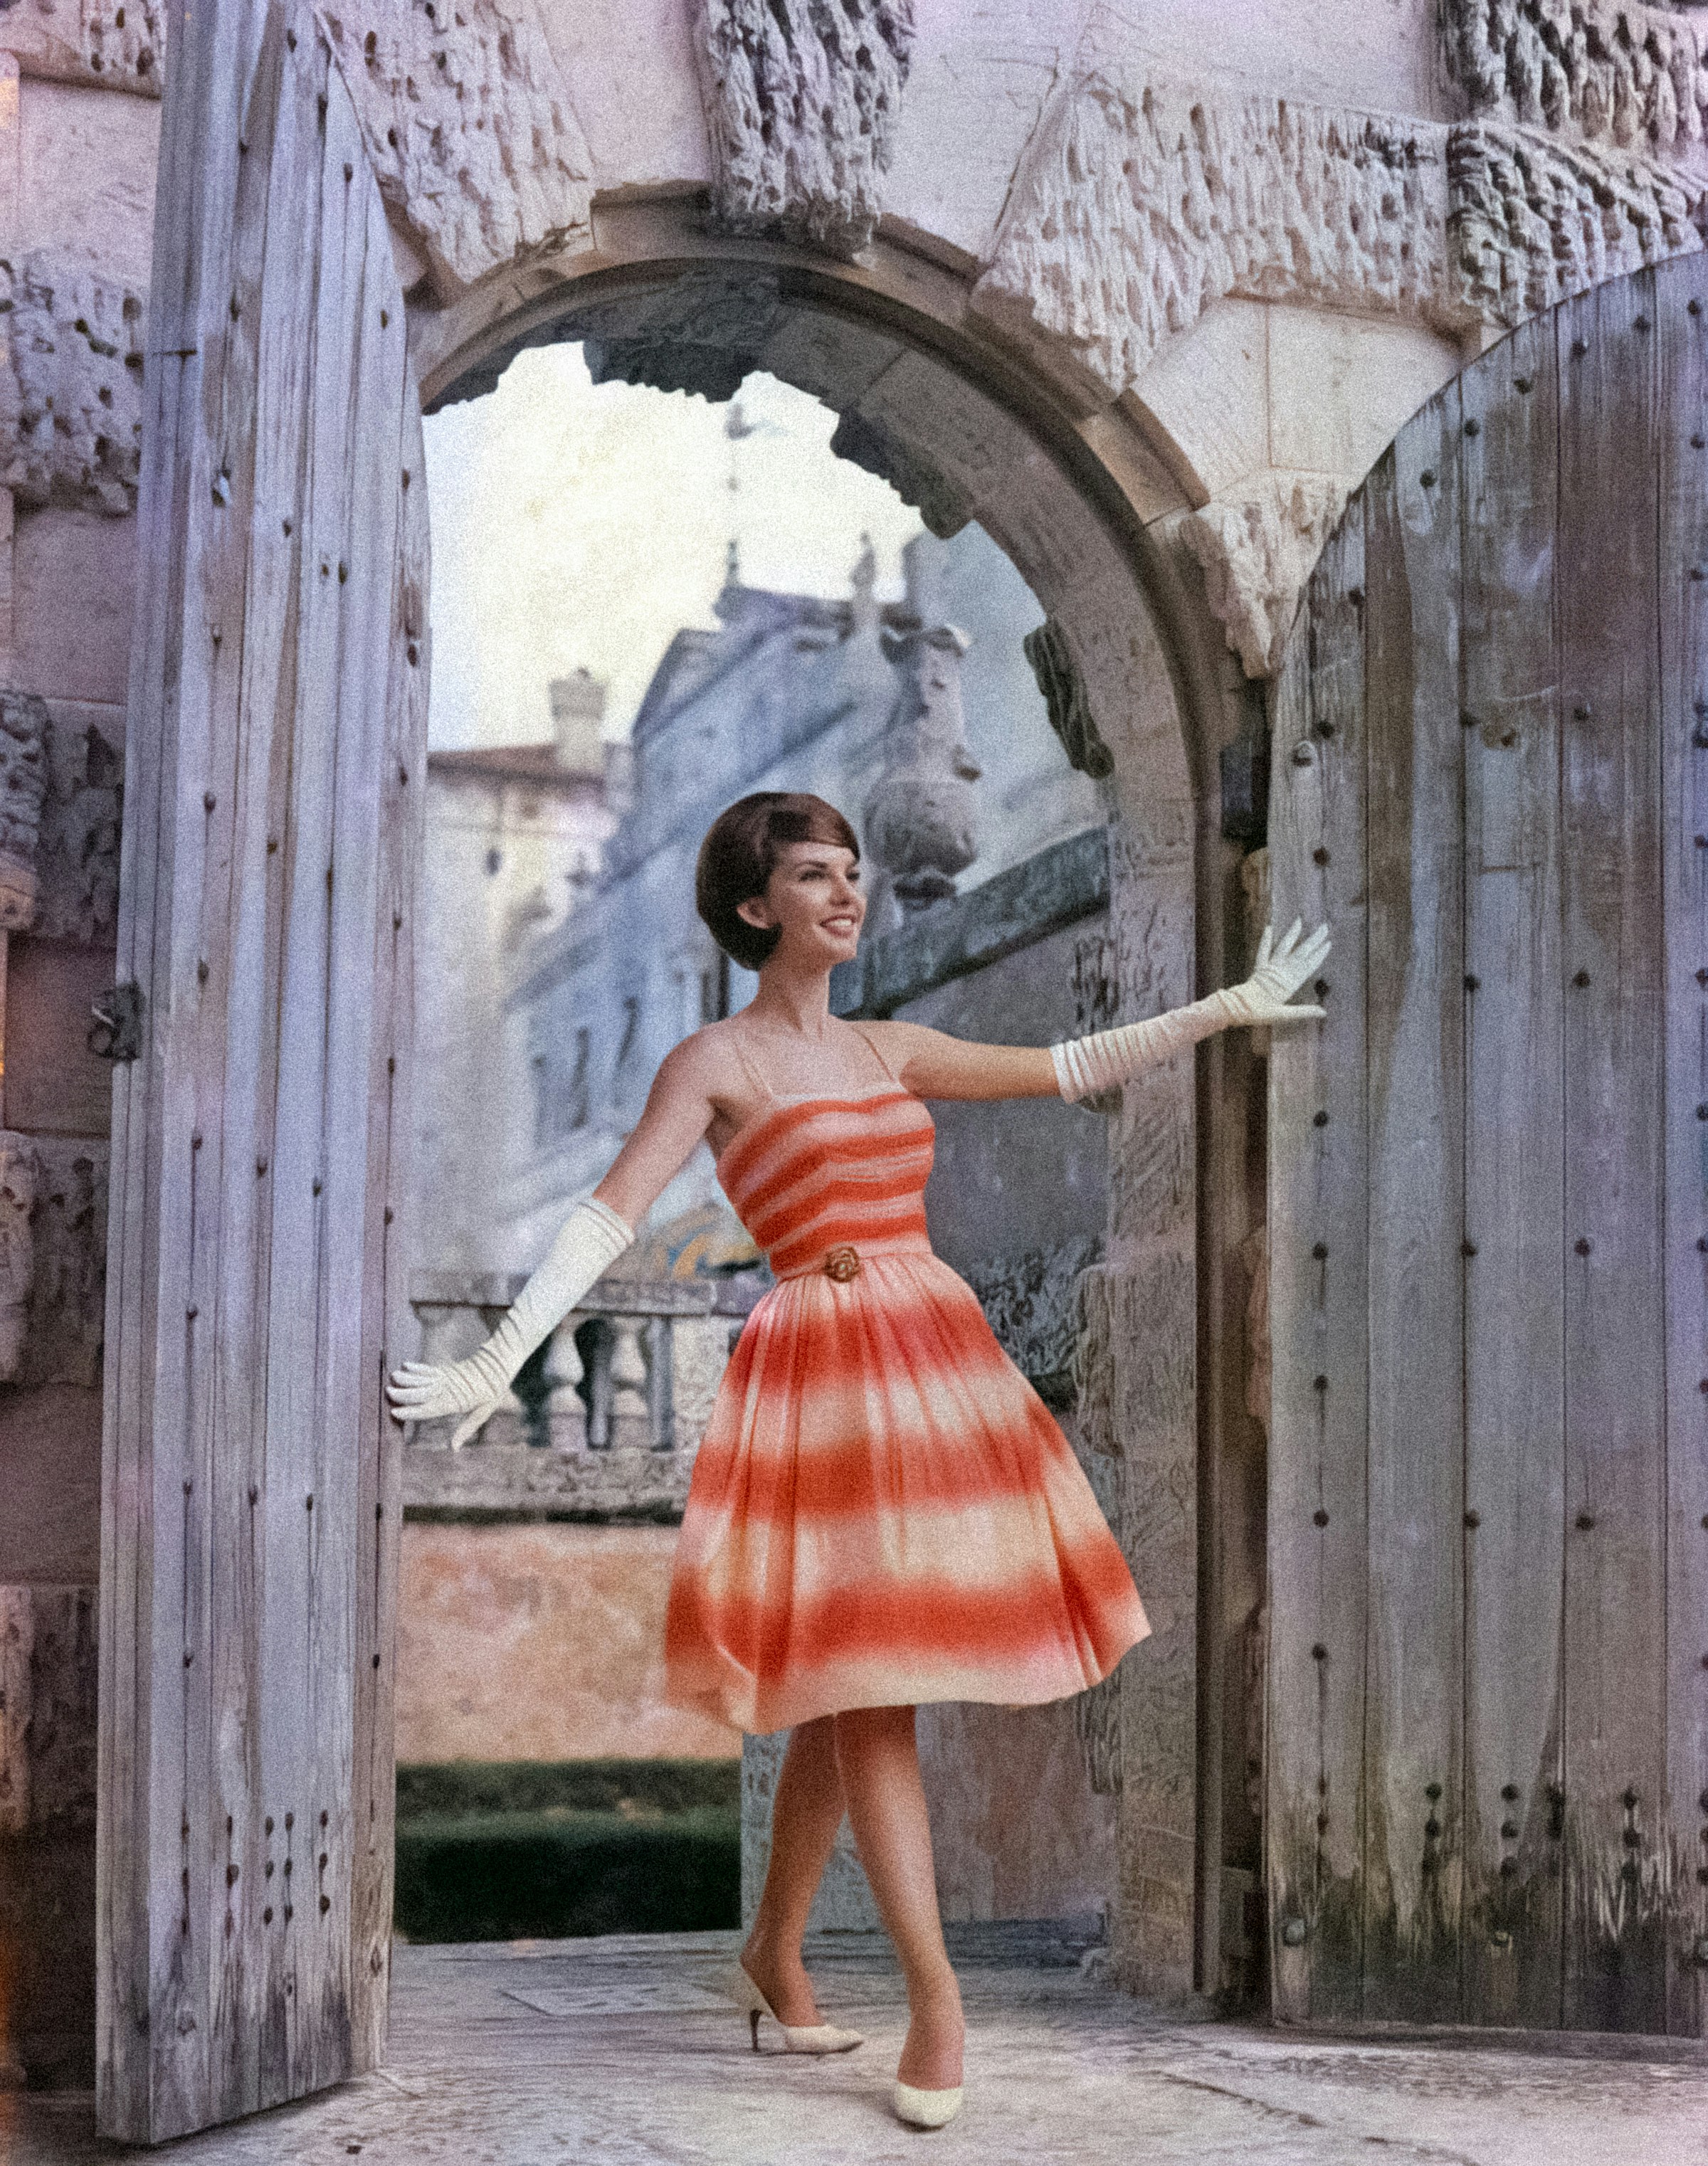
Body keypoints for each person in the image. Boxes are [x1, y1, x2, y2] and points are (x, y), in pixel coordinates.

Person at [387, 790, 1329, 2131]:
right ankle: (937, 2001)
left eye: (854, 872)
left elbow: (1068, 1064)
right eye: (814, 876)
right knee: (869, 1686)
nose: (847, 894)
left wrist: (1226, 1008)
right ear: (754, 906)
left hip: (934, 1361)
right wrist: (500, 1360)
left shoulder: (893, 1046)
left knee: (861, 1676)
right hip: (817, 1376)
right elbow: (606, 1220)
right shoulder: (711, 1063)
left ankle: (776, 1951)